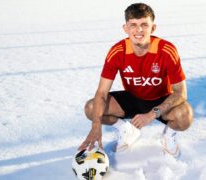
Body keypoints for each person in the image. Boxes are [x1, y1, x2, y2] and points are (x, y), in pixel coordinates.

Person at [78, 3, 193, 157]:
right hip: (133, 99)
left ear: (153, 28)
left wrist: (152, 114)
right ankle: (125, 130)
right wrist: (96, 125)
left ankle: (168, 136)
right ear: (125, 28)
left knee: (184, 116)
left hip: (160, 99)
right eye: (133, 25)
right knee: (92, 109)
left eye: (144, 25)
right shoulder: (117, 51)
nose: (139, 30)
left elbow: (181, 93)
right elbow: (101, 92)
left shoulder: (166, 50)